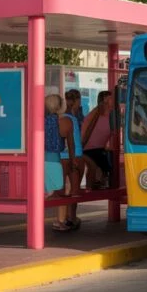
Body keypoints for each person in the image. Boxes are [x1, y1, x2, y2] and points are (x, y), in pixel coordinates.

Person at [45, 94, 74, 232]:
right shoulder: (64, 121)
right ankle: (60, 221)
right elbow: (70, 144)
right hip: (54, 160)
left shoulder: (40, 120)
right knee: (64, 189)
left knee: (47, 191)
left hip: (39, 160)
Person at [81, 91, 115, 189]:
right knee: (99, 167)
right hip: (88, 148)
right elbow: (86, 129)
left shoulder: (111, 115)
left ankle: (93, 187)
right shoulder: (95, 113)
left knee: (105, 168)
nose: (113, 100)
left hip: (98, 148)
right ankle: (90, 188)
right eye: (110, 98)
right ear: (105, 100)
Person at [61, 90, 84, 230]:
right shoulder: (74, 119)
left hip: (61, 155)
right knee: (75, 190)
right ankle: (72, 217)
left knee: (62, 189)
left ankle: (61, 218)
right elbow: (74, 141)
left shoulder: (60, 117)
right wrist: (74, 156)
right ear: (77, 101)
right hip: (76, 155)